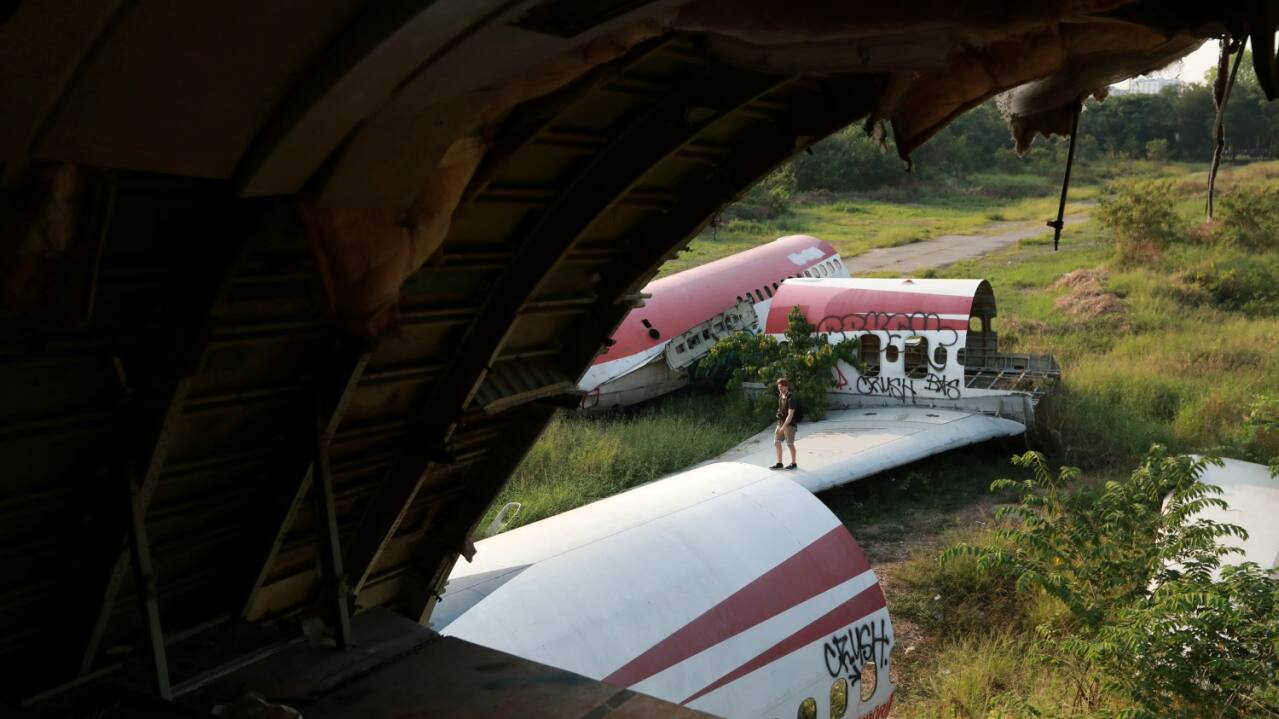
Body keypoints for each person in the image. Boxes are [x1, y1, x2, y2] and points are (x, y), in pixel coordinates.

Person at [770, 377, 799, 470]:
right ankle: (779, 463)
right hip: (780, 423)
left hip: (790, 425)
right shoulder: (780, 396)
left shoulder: (791, 398)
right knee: (776, 442)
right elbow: (781, 409)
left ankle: (794, 463)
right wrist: (778, 412)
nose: (780, 389)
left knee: (790, 444)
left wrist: (783, 427)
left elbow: (790, 415)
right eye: (779, 387)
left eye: (782, 387)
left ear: (786, 387)